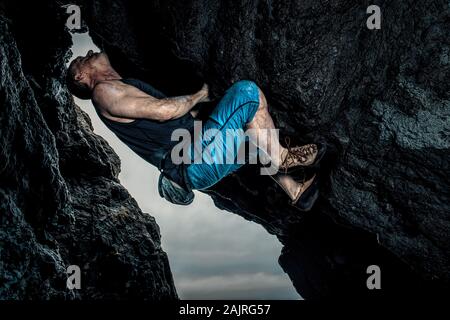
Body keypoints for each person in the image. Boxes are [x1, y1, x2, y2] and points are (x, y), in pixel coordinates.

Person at [66, 50, 325, 210]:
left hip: (194, 161)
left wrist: (205, 107)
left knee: (253, 137)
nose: (87, 53)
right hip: (194, 160)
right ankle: (284, 160)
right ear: (80, 78)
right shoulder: (103, 91)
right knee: (247, 93)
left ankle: (295, 191)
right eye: (80, 60)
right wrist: (200, 94)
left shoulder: (118, 88)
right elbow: (165, 111)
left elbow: (171, 121)